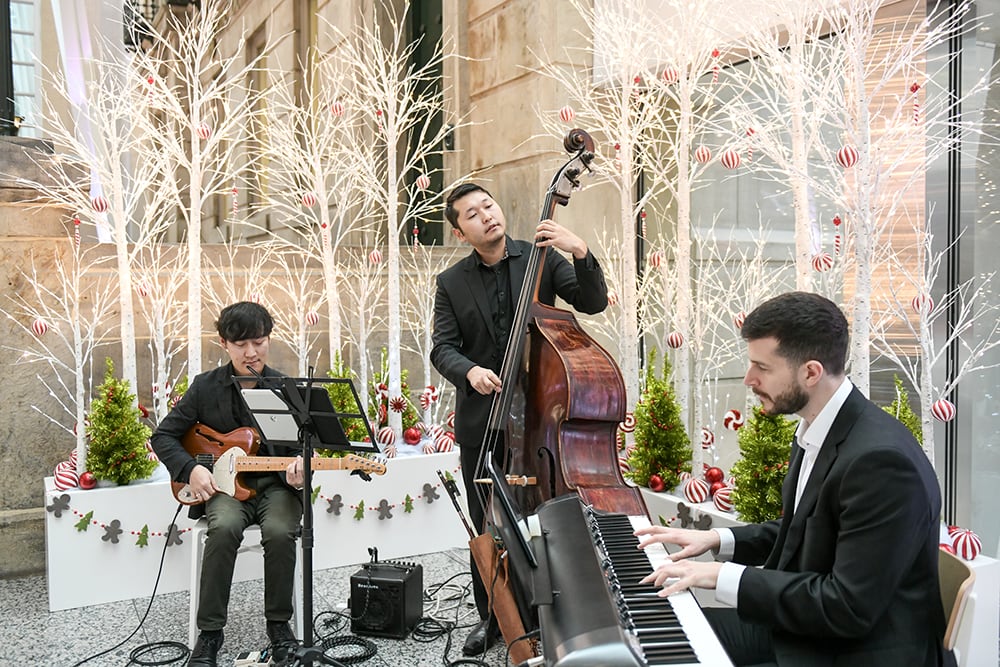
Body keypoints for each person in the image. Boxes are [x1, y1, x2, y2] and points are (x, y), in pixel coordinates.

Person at [635, 291, 952, 667]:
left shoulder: (881, 463)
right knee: (648, 636)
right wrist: (716, 538)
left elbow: (847, 606)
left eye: (762, 368)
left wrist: (722, 576)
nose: (749, 378)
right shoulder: (817, 426)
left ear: (811, 372)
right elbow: (806, 529)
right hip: (810, 630)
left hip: (857, 651)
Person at [431, 182, 610, 655]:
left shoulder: (543, 258)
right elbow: (442, 348)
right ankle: (493, 617)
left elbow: (592, 303)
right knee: (485, 519)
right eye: (472, 213)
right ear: (460, 232)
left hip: (540, 420)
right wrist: (469, 372)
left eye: (489, 204)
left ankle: (556, 611)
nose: (486, 215)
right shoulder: (451, 282)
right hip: (484, 421)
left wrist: (580, 251)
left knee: (546, 514)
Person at [152, 302, 305, 667]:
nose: (251, 352)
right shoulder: (205, 387)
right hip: (223, 489)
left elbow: (304, 443)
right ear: (224, 343)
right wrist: (191, 469)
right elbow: (164, 437)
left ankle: (280, 627)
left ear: (268, 339)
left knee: (282, 530)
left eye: (259, 342)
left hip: (277, 487)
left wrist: (301, 465)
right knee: (222, 529)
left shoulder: (285, 386)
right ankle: (209, 634)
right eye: (241, 344)